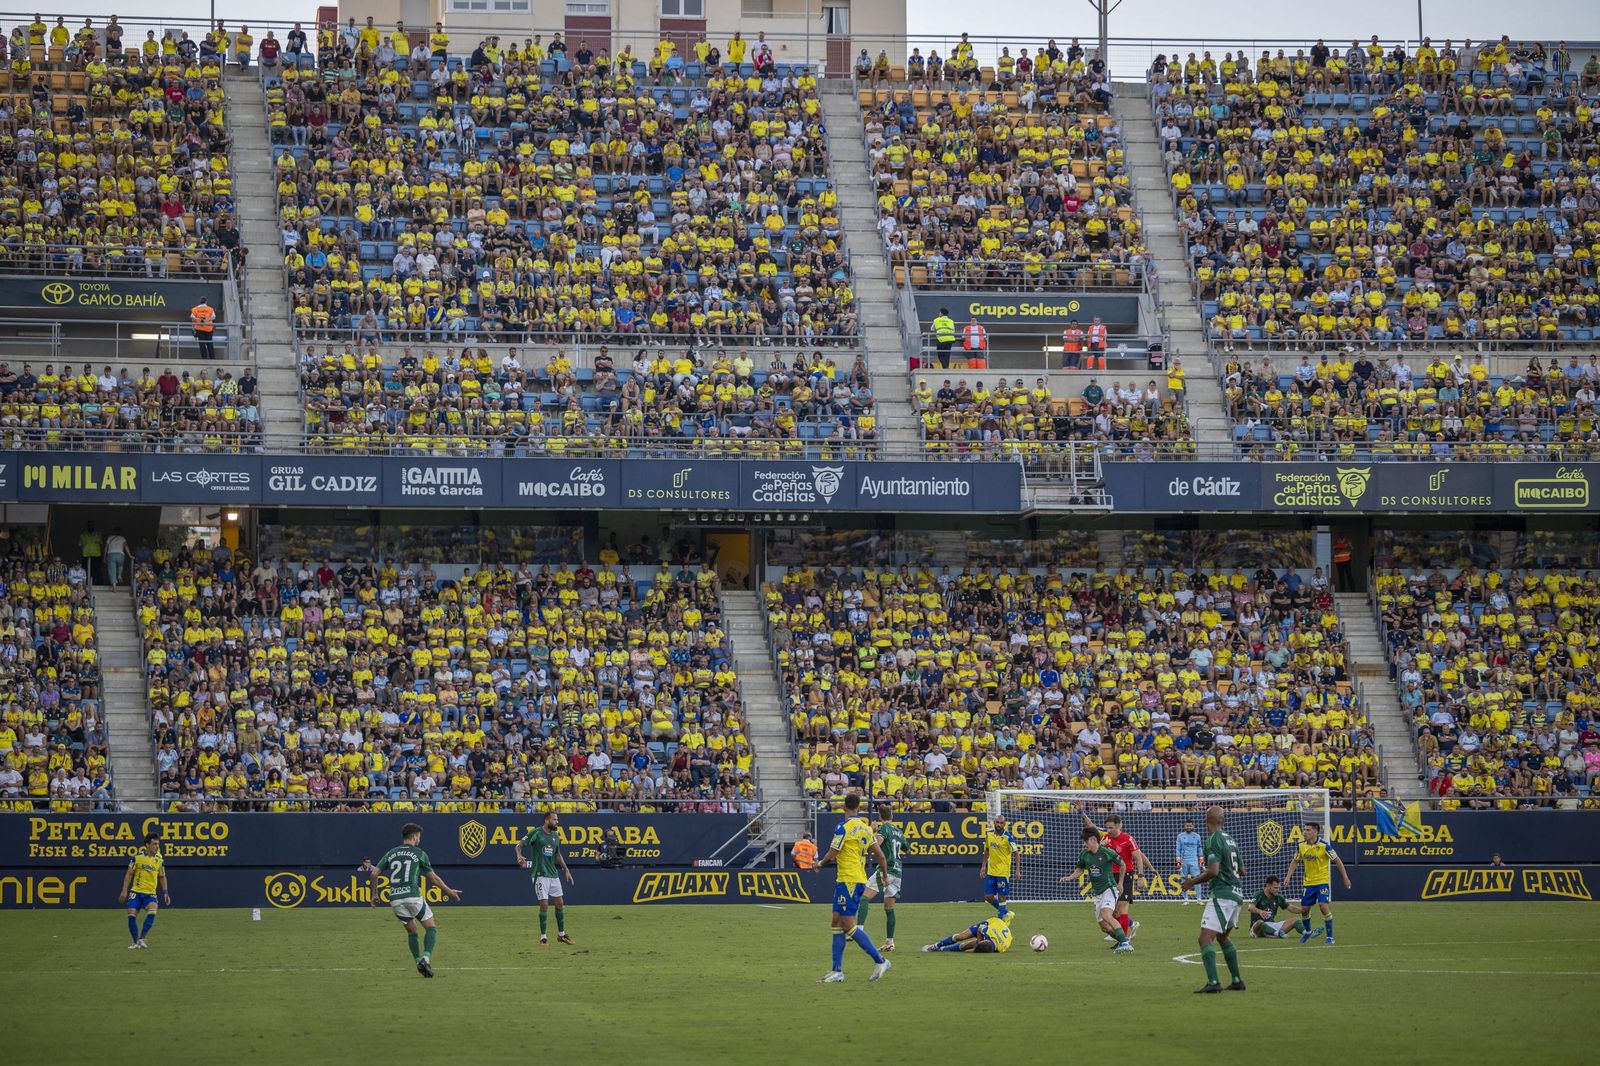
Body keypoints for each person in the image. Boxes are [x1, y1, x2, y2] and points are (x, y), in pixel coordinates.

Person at [364, 822, 462, 978]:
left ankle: (418, 962)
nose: (419, 839)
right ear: (415, 837)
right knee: (431, 928)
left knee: (412, 931)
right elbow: (433, 878)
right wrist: (449, 891)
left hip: (395, 899)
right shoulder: (419, 853)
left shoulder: (391, 853)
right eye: (419, 837)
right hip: (412, 895)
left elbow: (374, 874)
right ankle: (425, 958)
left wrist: (374, 894)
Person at [815, 792, 891, 983]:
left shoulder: (843, 827)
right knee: (836, 922)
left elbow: (832, 853)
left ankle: (881, 960)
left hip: (849, 880)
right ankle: (837, 970)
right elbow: (881, 856)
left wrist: (819, 864)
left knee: (848, 926)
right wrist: (884, 875)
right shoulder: (866, 829)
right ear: (859, 807)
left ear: (843, 807)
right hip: (854, 879)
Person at [1180, 805, 1246, 993]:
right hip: (1237, 894)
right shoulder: (1230, 839)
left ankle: (1213, 983)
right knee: (1223, 937)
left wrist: (1192, 882)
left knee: (1205, 938)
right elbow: (1242, 871)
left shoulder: (1212, 839)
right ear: (1222, 820)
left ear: (1206, 820)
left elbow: (1213, 871)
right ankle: (1237, 980)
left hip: (1223, 894)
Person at [1082, 809, 1152, 939]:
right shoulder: (1105, 837)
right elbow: (1092, 827)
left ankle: (1124, 940)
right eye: (1107, 828)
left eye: (1111, 828)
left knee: (1122, 906)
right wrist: (1082, 812)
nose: (1108, 830)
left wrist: (1141, 876)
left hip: (1125, 875)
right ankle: (1129, 926)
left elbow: (1138, 856)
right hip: (1110, 876)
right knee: (1113, 911)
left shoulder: (1128, 839)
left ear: (1119, 825)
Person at [1064, 827, 1132, 953]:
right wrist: (1069, 877)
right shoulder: (1084, 854)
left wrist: (1121, 883)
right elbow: (1079, 870)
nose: (1084, 845)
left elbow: (1122, 864)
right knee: (1104, 927)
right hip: (1097, 893)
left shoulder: (1106, 852)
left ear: (1093, 840)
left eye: (1085, 842)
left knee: (1106, 914)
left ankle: (1126, 944)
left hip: (1109, 889)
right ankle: (1123, 940)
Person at [1282, 822, 1351, 945]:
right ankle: (1308, 931)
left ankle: (1330, 937)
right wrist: (1288, 876)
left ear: (1315, 832)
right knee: (1304, 909)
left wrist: (1345, 878)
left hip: (1322, 881)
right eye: (1304, 830)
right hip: (1308, 883)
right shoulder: (1301, 846)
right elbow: (1295, 861)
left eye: (1308, 830)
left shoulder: (1325, 846)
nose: (1304, 832)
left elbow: (1338, 861)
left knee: (1323, 906)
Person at [516, 810, 575, 945]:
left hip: (553, 874)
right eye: (554, 820)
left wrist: (566, 870)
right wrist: (519, 856)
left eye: (557, 820)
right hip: (540, 873)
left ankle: (561, 935)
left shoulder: (556, 836)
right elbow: (519, 846)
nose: (557, 822)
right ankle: (543, 938)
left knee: (560, 903)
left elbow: (557, 854)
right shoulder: (536, 833)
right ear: (546, 820)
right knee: (544, 904)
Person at [858, 802, 906, 951]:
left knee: (864, 898)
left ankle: (858, 930)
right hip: (897, 871)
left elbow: (876, 845)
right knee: (889, 908)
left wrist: (871, 833)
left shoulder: (883, 829)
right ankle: (890, 942)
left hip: (886, 869)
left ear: (880, 816)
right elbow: (906, 847)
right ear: (892, 816)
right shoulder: (898, 831)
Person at [120, 831, 170, 949]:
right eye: (154, 844)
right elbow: (129, 874)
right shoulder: (137, 858)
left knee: (153, 910)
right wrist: (124, 890)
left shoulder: (159, 860)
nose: (157, 846)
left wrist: (165, 892)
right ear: (147, 845)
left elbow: (162, 876)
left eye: (158, 844)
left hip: (150, 893)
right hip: (136, 892)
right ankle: (135, 942)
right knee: (131, 914)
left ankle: (142, 938)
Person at [980, 815, 1016, 919]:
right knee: (988, 897)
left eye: (1001, 823)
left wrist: (1017, 870)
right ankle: (1006, 913)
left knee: (1001, 897)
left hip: (1002, 872)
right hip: (991, 871)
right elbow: (986, 850)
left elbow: (1016, 853)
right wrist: (983, 867)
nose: (998, 824)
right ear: (994, 823)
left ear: (1004, 824)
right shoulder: (989, 834)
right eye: (997, 822)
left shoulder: (1008, 837)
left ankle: (1002, 920)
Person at [921, 915, 1012, 953]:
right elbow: (980, 929)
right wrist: (979, 941)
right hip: (991, 924)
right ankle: (935, 946)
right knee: (961, 937)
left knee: (967, 946)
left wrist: (977, 944)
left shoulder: (1001, 948)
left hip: (999, 932)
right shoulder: (988, 931)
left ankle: (942, 949)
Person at [1175, 818, 1205, 904]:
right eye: (1187, 826)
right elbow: (1178, 849)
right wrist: (1178, 862)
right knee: (1183, 879)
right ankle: (1185, 899)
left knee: (1197, 879)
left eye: (1190, 826)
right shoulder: (1180, 836)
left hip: (1194, 860)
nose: (1189, 827)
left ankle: (1199, 899)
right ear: (1185, 826)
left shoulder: (1197, 836)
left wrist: (1201, 860)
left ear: (1193, 826)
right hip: (1184, 860)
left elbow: (1199, 848)